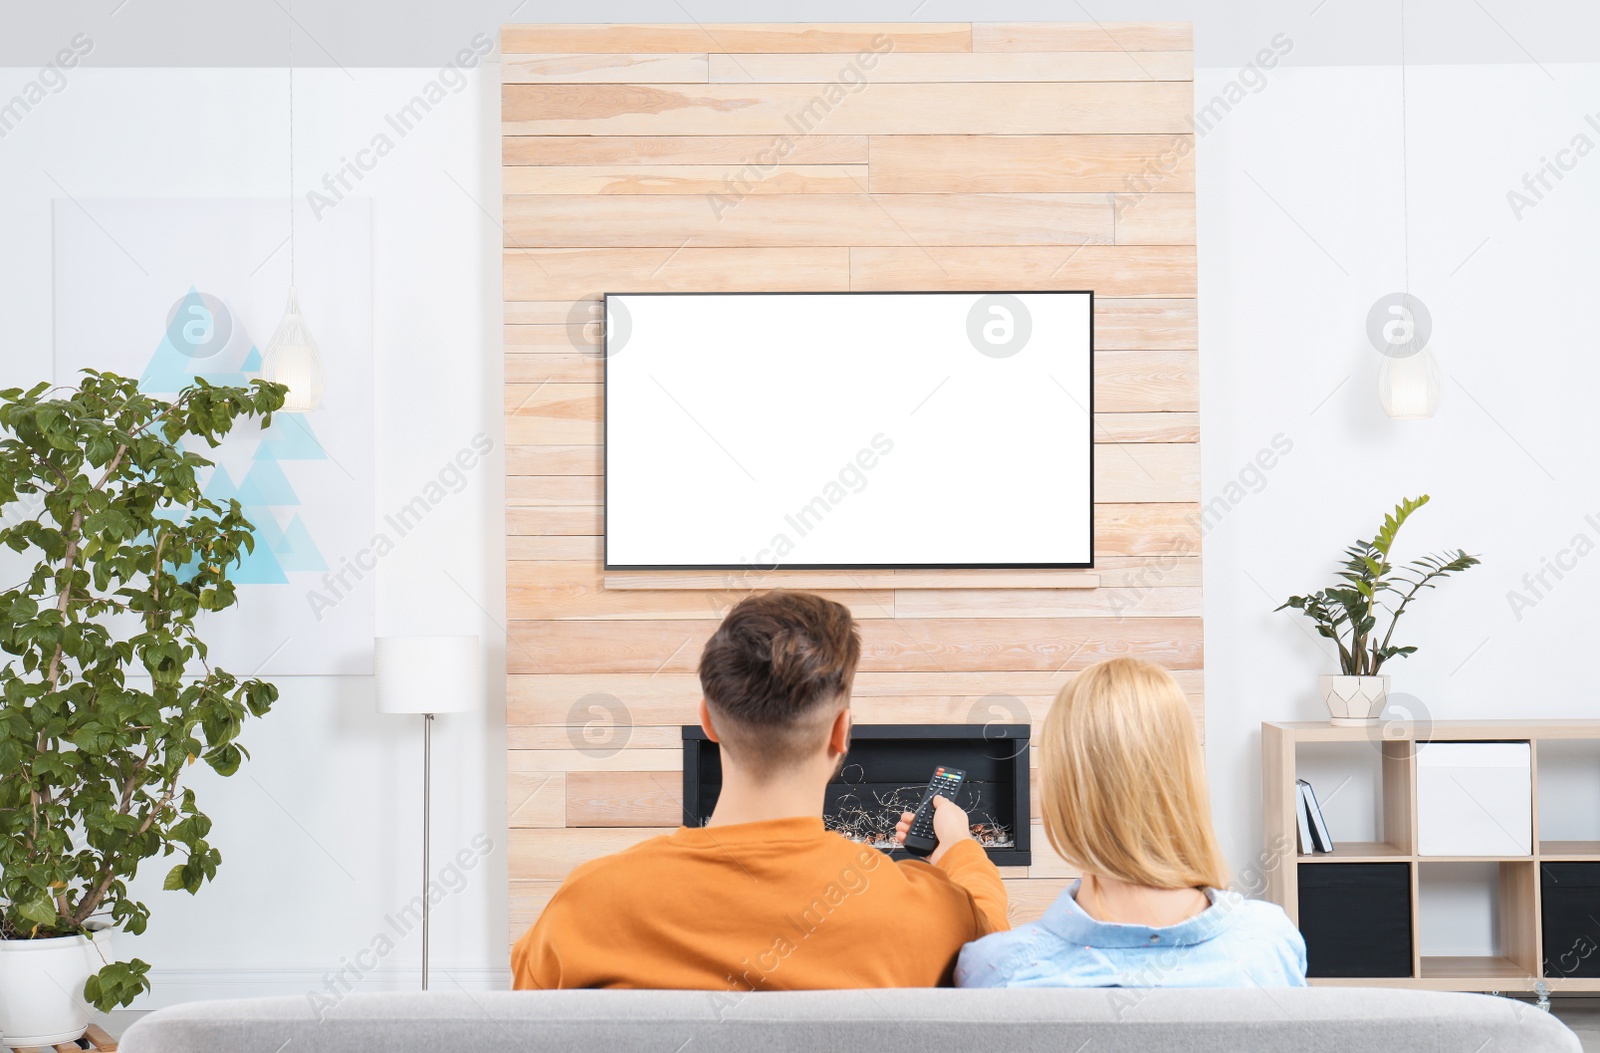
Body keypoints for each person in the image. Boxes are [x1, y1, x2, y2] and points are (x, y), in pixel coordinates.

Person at [512, 590, 1008, 991]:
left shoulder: (587, 904)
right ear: (842, 732)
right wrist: (960, 849)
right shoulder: (929, 915)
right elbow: (997, 964)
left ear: (707, 721)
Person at [957, 657, 1306, 989]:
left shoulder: (998, 968)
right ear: (1187, 779)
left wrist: (958, 852)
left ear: (1058, 792)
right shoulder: (1270, 944)